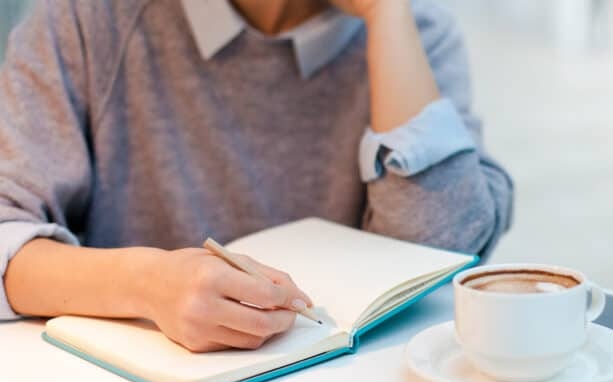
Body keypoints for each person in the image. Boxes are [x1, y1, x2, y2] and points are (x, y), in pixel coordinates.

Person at [0, 0, 513, 352]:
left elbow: (442, 250)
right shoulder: (88, 19)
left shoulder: (413, 29)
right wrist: (146, 284)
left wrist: (386, 13)